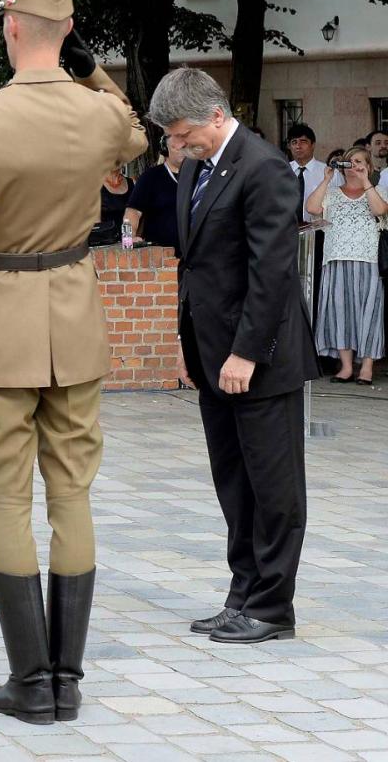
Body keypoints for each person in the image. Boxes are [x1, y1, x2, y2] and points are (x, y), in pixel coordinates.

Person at [0, 0, 147, 724]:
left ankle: (30, 681)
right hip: (75, 316)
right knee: (72, 492)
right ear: (65, 33)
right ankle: (68, 679)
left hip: (0, 326)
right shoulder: (96, 117)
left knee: (5, 495)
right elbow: (134, 124)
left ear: (11, 25)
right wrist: (90, 67)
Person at [150, 66, 317, 645]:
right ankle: (243, 591)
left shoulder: (265, 167)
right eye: (171, 136)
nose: (175, 145)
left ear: (215, 115)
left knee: (273, 486)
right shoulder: (196, 168)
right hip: (212, 357)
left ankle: (274, 607)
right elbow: (193, 265)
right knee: (234, 483)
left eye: (180, 133)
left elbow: (270, 271)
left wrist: (246, 351)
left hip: (259, 361)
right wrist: (187, 345)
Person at [307, 146, 387, 384]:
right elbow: (311, 208)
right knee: (340, 311)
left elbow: (379, 209)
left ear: (369, 166)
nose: (353, 166)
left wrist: (365, 180)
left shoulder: (378, 190)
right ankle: (346, 366)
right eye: (349, 162)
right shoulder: (331, 193)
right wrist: (327, 179)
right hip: (337, 258)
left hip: (369, 260)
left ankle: (367, 367)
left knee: (369, 313)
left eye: (359, 162)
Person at [124, 134, 186, 250]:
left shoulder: (199, 176)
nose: (183, 151)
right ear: (165, 149)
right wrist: (127, 240)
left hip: (194, 254)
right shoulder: (150, 177)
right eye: (177, 147)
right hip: (160, 256)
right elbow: (132, 212)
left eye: (185, 147)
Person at [286, 123, 327, 222]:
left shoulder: (328, 173)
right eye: (294, 142)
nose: (298, 146)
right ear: (289, 146)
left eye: (303, 141)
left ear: (313, 145)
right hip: (286, 231)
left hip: (319, 231)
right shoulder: (281, 171)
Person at [93, 167, 133, 245]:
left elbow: (140, 214)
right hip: (106, 245)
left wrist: (134, 237)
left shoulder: (132, 183)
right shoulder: (95, 186)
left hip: (130, 242)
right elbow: (96, 224)